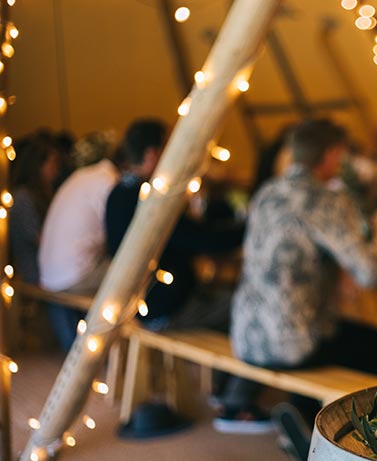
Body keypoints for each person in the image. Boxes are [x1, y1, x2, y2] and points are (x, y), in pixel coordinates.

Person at [220, 119, 377, 461]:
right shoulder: (322, 200)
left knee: (328, 330)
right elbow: (369, 271)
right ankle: (328, 436)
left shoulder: (268, 191)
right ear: (330, 155)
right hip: (291, 343)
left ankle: (301, 417)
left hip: (246, 336)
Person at [104, 120, 243, 332]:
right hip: (166, 309)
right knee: (242, 305)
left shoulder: (119, 192)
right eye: (169, 147)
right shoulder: (151, 201)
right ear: (152, 155)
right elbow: (205, 241)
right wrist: (249, 228)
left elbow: (191, 234)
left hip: (132, 304)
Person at [38, 126, 124, 350]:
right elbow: (119, 237)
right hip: (72, 275)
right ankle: (122, 350)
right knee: (138, 272)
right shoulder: (109, 182)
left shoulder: (81, 176)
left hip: (48, 273)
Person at [8, 133, 62, 284]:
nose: (56, 170)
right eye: (53, 163)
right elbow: (42, 240)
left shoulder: (44, 192)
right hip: (34, 272)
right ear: (38, 165)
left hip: (47, 266)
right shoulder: (22, 198)